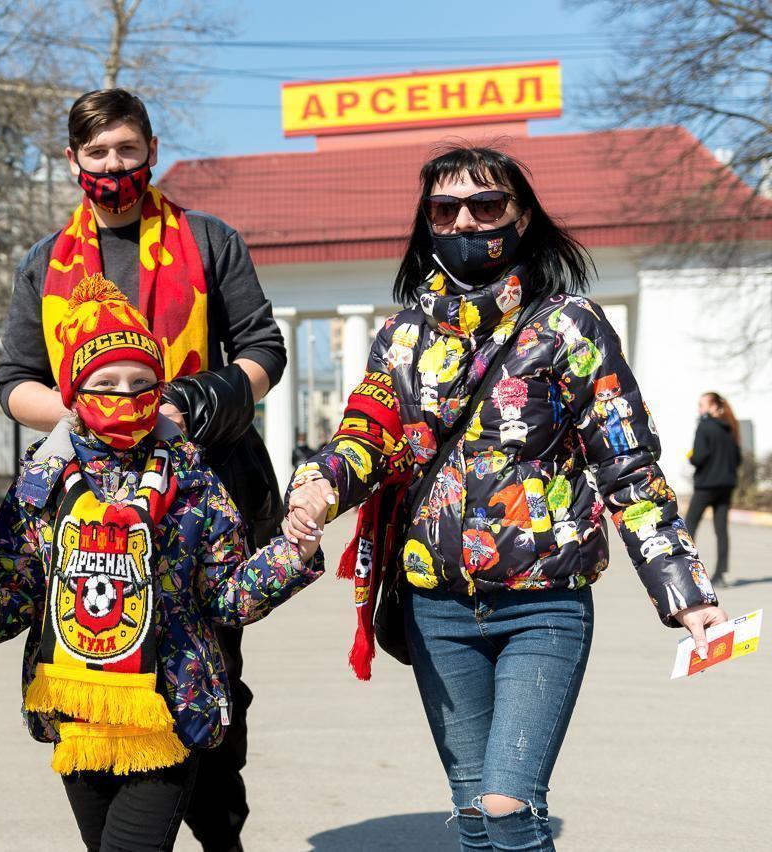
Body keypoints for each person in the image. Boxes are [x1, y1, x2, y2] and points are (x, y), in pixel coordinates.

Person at [283, 145, 727, 852]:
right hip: (436, 609)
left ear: (521, 217)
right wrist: (316, 486)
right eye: (445, 209)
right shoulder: (399, 339)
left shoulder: (571, 325)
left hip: (543, 604)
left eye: (486, 205)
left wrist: (686, 591)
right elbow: (365, 437)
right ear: (427, 221)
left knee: (508, 805)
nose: (465, 221)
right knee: (472, 814)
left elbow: (628, 467)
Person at [0, 278, 323, 852]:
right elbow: (13, 602)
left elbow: (227, 595)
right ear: (73, 394)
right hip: (76, 713)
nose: (125, 397)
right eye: (106, 384)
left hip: (172, 710)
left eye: (141, 384)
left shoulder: (192, 476)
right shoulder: (42, 481)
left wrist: (293, 553)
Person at [0, 88, 287, 850]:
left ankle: (219, 829)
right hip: (87, 509)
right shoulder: (43, 263)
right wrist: (90, 416)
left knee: (206, 688)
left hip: (198, 500)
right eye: (97, 153)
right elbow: (15, 380)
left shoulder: (209, 240)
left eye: (127, 149)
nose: (113, 164)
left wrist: (188, 403)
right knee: (99, 671)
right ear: (72, 160)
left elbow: (263, 350)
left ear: (152, 151)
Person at [685, 391, 742, 585]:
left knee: (689, 526)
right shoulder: (731, 428)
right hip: (726, 485)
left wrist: (691, 457)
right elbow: (738, 459)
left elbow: (699, 457)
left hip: (706, 485)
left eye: (702, 405)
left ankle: (687, 571)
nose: (699, 409)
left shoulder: (704, 427)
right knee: (721, 530)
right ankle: (720, 575)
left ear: (714, 406)